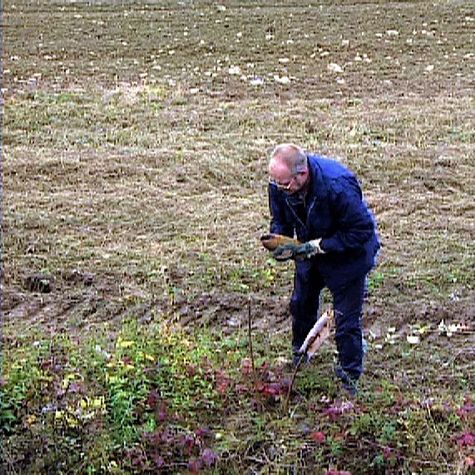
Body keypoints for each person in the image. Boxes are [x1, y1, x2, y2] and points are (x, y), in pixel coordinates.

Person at [266, 143, 380, 395]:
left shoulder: (337, 185)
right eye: (276, 183)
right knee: (301, 304)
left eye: (284, 184)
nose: (279, 188)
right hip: (309, 251)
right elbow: (280, 217)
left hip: (348, 257)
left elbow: (361, 231)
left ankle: (350, 377)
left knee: (345, 320)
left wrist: (322, 246)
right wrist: (281, 241)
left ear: (302, 174)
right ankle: (301, 356)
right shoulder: (280, 183)